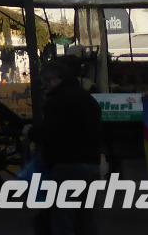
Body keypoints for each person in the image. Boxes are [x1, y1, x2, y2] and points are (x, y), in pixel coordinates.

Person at [33, 59, 102, 234]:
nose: (45, 87)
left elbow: (51, 133)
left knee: (63, 219)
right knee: (85, 218)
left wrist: (32, 133)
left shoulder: (56, 102)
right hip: (91, 164)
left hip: (67, 165)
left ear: (57, 79)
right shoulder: (88, 99)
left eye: (46, 82)